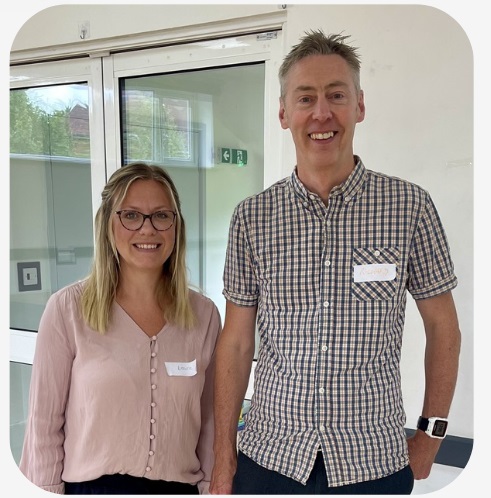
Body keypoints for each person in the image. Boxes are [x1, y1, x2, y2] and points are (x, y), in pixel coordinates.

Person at [210, 30, 461, 495]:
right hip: (270, 459)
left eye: (336, 95)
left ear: (359, 106)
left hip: (373, 463)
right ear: (284, 113)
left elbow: (443, 327)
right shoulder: (252, 218)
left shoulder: (409, 208)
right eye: (305, 98)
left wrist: (431, 435)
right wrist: (224, 455)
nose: (321, 113)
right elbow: (237, 342)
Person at [19, 162, 221, 494]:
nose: (147, 229)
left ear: (176, 226)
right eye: (130, 215)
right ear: (109, 224)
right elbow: (43, 428)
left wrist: (213, 487)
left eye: (161, 215)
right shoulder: (68, 310)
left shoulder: (204, 316)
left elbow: (211, 425)